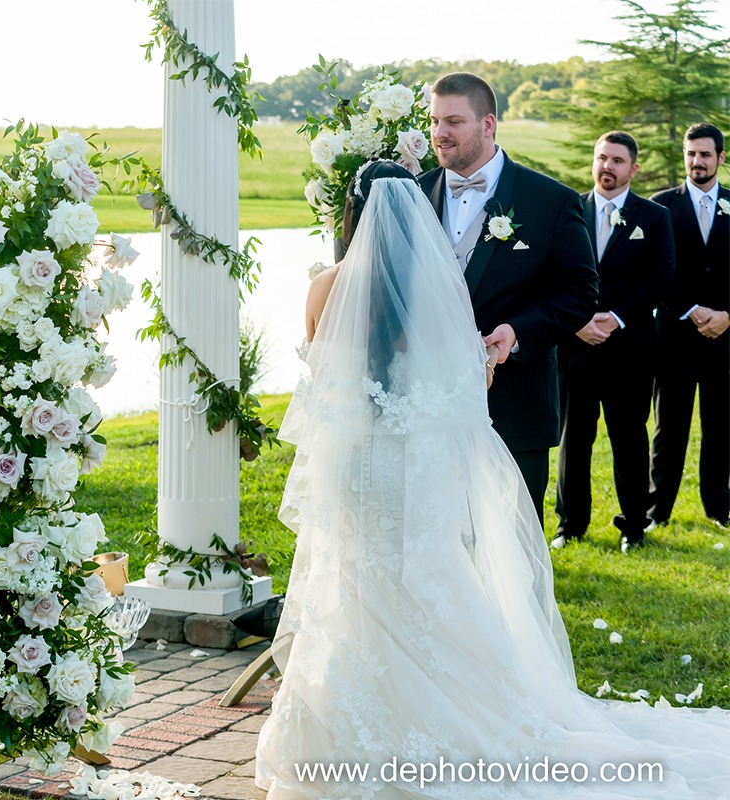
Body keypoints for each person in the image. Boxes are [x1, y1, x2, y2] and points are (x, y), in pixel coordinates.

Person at [255, 161, 730, 800]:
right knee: (427, 573)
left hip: (352, 465)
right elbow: (461, 390)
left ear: (352, 212)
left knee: (354, 577)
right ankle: (454, 712)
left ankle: (349, 720)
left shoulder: (325, 286)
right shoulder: (444, 285)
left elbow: (319, 385)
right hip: (414, 461)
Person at [419, 72, 598, 521]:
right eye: (435, 120)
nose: (440, 133)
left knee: (516, 553)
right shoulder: (415, 195)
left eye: (454, 121)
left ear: (488, 124)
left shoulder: (550, 201)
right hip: (426, 408)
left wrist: (516, 334)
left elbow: (580, 294)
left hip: (516, 408)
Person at [554, 132, 675, 553]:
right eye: (602, 158)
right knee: (575, 437)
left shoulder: (655, 217)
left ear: (633, 168)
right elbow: (554, 274)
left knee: (629, 437)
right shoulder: (569, 210)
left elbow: (661, 277)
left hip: (631, 350)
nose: (608, 167)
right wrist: (578, 322)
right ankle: (570, 525)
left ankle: (634, 527)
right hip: (576, 346)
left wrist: (617, 317)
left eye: (617, 161)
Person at [648, 123, 729, 530]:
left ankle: (719, 506)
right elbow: (654, 272)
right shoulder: (660, 207)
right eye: (691, 153)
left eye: (705, 154)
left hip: (725, 337)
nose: (697, 161)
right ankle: (657, 510)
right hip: (676, 336)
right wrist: (691, 309)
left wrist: (727, 315)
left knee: (721, 426)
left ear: (721, 158)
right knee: (670, 427)